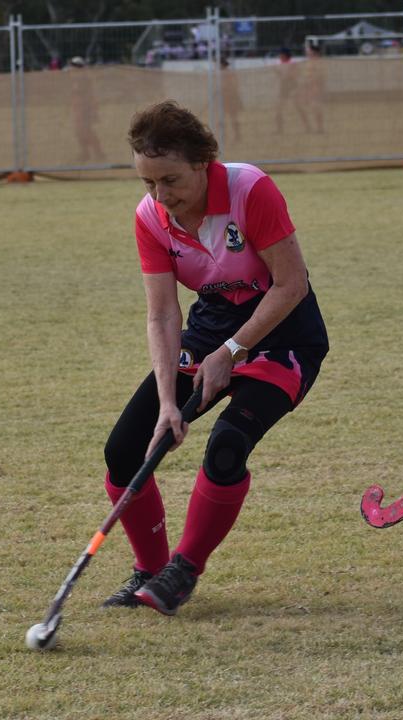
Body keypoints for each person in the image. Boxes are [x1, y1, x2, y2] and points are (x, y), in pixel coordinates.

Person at [101, 101, 328, 616]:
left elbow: (292, 285)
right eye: (148, 183)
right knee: (125, 450)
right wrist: (166, 402)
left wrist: (232, 351)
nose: (161, 196)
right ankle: (150, 570)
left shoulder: (250, 189)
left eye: (171, 180)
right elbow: (162, 317)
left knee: (228, 444)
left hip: (284, 333)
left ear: (203, 162)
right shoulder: (151, 219)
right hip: (209, 330)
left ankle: (183, 570)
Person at [68, 56, 105, 163]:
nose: (72, 68)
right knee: (79, 131)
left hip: (85, 109)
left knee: (86, 131)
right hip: (78, 109)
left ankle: (98, 152)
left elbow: (89, 96)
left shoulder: (84, 80)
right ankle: (85, 153)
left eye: (74, 66)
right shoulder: (75, 79)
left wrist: (92, 111)